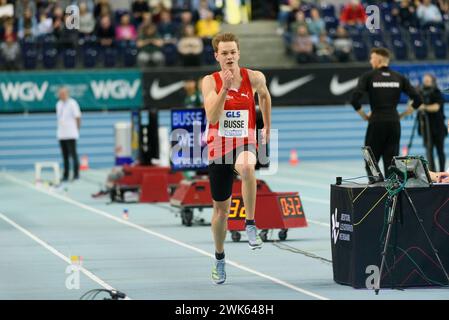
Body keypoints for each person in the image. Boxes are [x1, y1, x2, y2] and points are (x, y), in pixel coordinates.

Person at [201, 32, 272, 284]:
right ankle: (219, 258)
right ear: (217, 56)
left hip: (244, 142)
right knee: (221, 211)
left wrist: (265, 126)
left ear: (238, 53)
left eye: (233, 52)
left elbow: (265, 96)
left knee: (247, 167)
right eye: (225, 53)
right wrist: (225, 90)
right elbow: (212, 117)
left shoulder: (254, 77)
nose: (229, 56)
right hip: (219, 147)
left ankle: (250, 223)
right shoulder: (210, 81)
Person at [351, 48, 422, 177]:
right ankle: (391, 193)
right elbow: (418, 99)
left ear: (378, 59)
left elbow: (354, 99)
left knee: (371, 160)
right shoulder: (399, 77)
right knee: (391, 162)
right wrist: (402, 115)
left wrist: (365, 116)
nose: (370, 61)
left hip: (376, 121)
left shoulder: (369, 76)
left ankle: (375, 188)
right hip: (394, 122)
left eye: (372, 58)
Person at [403, 73, 446, 172]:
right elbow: (411, 105)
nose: (426, 82)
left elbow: (436, 107)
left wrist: (423, 107)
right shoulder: (420, 93)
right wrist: (412, 103)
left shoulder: (437, 92)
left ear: (432, 81)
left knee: (440, 151)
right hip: (425, 127)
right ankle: (432, 171)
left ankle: (442, 171)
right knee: (428, 151)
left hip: (438, 127)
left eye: (428, 80)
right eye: (424, 80)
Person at [56, 87, 81, 182]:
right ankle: (65, 175)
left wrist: (76, 130)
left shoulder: (72, 103)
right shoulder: (58, 104)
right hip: (61, 133)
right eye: (59, 94)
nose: (60, 95)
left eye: (62, 93)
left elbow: (78, 117)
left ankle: (76, 174)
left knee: (73, 155)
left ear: (67, 94)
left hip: (71, 133)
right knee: (65, 156)